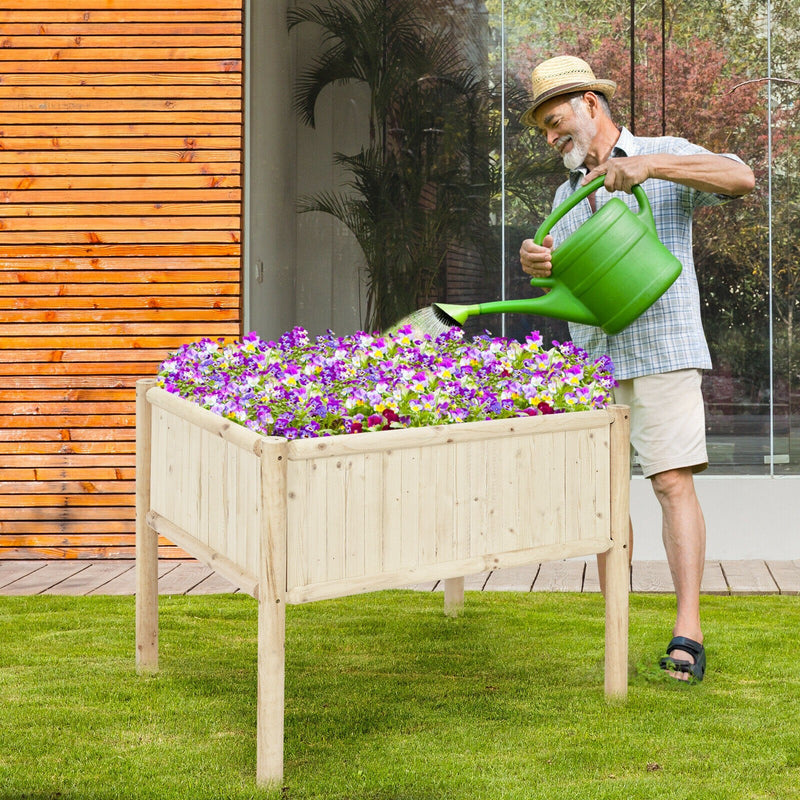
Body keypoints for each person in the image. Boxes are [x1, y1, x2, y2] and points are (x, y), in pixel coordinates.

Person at [519, 55, 755, 683]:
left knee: (672, 483)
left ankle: (689, 629)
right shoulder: (563, 195)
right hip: (596, 360)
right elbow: (568, 281)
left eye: (556, 120)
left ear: (591, 104)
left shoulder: (660, 151)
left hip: (664, 349)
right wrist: (538, 260)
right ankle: (616, 627)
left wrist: (648, 167)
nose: (551, 136)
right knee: (604, 499)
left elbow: (741, 177)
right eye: (543, 127)